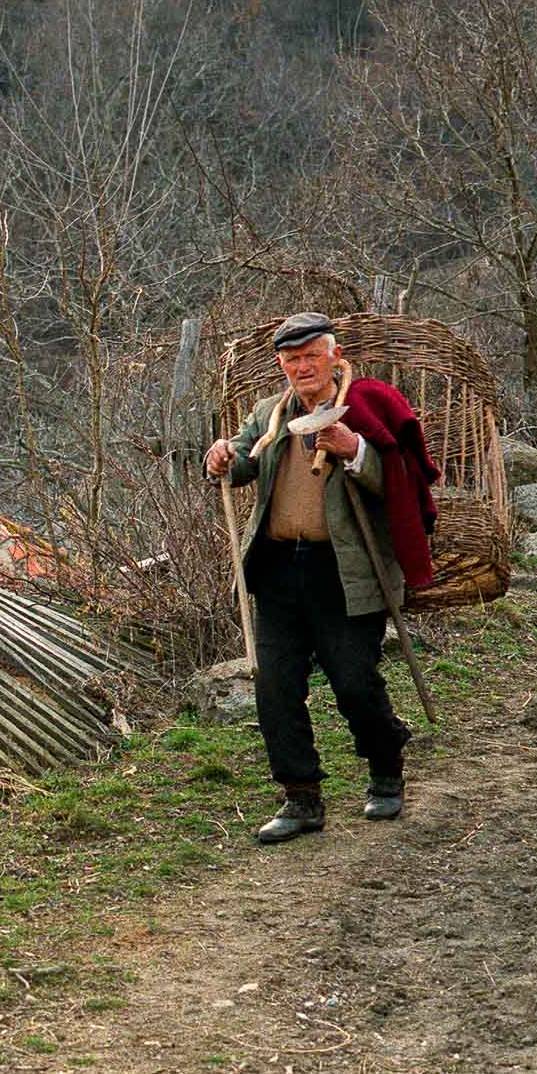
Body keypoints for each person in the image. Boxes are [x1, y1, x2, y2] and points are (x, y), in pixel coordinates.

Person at [205, 312, 419, 843]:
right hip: (278, 569)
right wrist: (221, 458)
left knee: (353, 681)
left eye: (311, 356)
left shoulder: (369, 407)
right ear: (282, 365)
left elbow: (401, 480)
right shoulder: (269, 414)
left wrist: (356, 452)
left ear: (334, 356)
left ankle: (385, 768)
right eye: (292, 359)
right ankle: (301, 797)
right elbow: (240, 461)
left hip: (346, 570)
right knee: (275, 687)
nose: (302, 367)